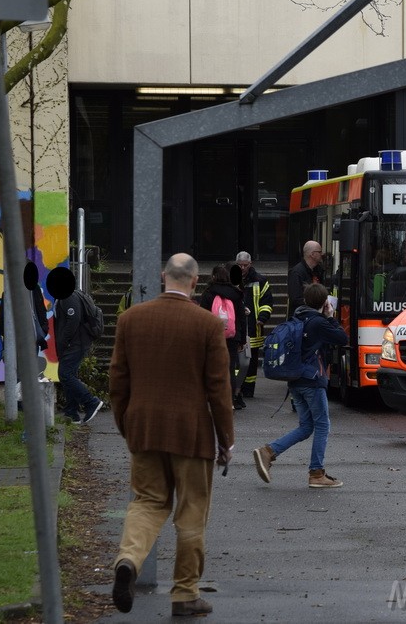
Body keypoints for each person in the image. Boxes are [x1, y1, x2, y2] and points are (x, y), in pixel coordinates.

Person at [108, 253, 234, 618]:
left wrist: (127, 425)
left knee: (147, 503)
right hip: (192, 435)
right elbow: (219, 390)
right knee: (191, 514)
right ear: (195, 282)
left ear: (164, 276)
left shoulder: (130, 320)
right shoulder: (208, 325)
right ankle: (184, 594)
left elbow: (118, 382)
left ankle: (129, 560)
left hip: (144, 431)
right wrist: (225, 440)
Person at [252, 283, 347, 489]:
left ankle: (268, 452)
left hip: (295, 379)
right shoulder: (319, 322)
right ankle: (316, 473)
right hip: (312, 380)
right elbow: (342, 337)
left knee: (306, 427)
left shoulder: (298, 316)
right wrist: (330, 316)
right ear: (324, 303)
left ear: (305, 300)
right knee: (322, 424)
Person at [46, 267, 104, 425]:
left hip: (76, 342)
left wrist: (62, 342)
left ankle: (90, 402)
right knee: (70, 374)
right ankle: (71, 412)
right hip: (77, 342)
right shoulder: (69, 295)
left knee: (65, 374)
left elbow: (73, 321)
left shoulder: (69, 297)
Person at [197, 264, 248, 410]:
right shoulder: (236, 293)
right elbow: (241, 318)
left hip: (212, 336)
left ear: (214, 276)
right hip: (232, 336)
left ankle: (212, 399)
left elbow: (203, 316)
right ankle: (229, 400)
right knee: (230, 368)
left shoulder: (208, 293)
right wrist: (242, 339)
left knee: (211, 367)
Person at [234, 251, 273, 400]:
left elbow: (267, 302)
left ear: (250, 264)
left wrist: (262, 318)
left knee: (251, 360)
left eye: (245, 265)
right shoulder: (232, 279)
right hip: (236, 326)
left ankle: (248, 389)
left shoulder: (260, 280)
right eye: (240, 265)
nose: (243, 268)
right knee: (238, 360)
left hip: (253, 327)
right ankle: (237, 387)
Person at [286, 240, 325, 316]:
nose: (322, 254)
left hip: (315, 315)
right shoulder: (296, 273)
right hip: (301, 317)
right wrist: (315, 302)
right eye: (319, 252)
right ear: (312, 254)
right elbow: (295, 299)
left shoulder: (319, 271)